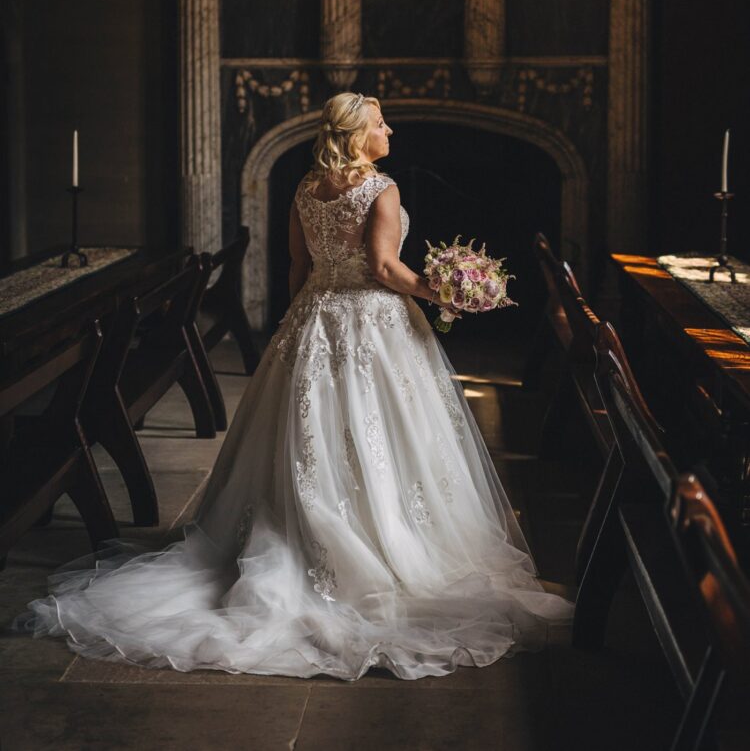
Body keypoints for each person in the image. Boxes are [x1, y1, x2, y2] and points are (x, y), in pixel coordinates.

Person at [12, 92, 572, 679]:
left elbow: (297, 270)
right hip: (372, 322)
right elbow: (384, 270)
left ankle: (305, 532)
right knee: (382, 434)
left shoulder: (307, 188)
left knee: (310, 435)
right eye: (382, 124)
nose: (392, 132)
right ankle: (374, 547)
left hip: (312, 318)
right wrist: (446, 293)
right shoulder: (381, 190)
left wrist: (300, 321)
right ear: (359, 136)